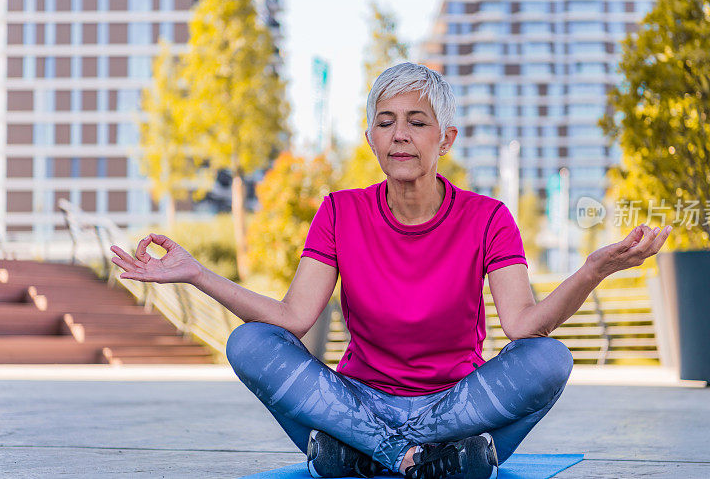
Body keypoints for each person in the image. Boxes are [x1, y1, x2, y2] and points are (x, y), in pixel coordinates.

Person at [110, 62, 671, 479]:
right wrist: (198, 274)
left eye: (417, 121)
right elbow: (292, 317)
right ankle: (423, 462)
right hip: (356, 401)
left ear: (444, 139)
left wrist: (593, 269)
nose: (401, 133)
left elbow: (524, 327)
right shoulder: (339, 211)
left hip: (454, 406)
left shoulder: (488, 218)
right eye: (387, 121)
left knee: (549, 358)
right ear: (372, 138)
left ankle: (372, 455)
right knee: (251, 343)